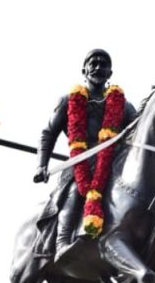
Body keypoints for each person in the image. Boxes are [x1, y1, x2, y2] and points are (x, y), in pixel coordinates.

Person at [33, 49, 137, 260]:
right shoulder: (69, 100)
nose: (98, 67)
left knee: (138, 194)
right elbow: (48, 133)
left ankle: (154, 250)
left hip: (111, 166)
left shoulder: (124, 106)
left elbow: (141, 134)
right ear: (84, 70)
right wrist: (41, 165)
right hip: (79, 165)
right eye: (93, 63)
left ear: (110, 73)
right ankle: (62, 243)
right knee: (74, 193)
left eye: (103, 64)